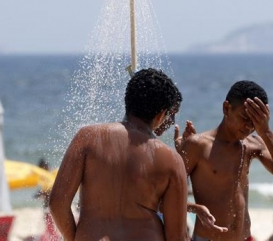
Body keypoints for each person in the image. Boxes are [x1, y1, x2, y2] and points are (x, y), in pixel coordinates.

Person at [49, 68, 189, 241]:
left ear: (128, 101)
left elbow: (57, 203)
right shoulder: (172, 160)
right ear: (161, 115)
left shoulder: (87, 138)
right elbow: (177, 236)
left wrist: (74, 238)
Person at [175, 80, 273, 241]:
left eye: (255, 122)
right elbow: (164, 195)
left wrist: (265, 131)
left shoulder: (252, 145)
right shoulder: (198, 145)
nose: (249, 127)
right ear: (226, 108)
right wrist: (193, 208)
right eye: (244, 118)